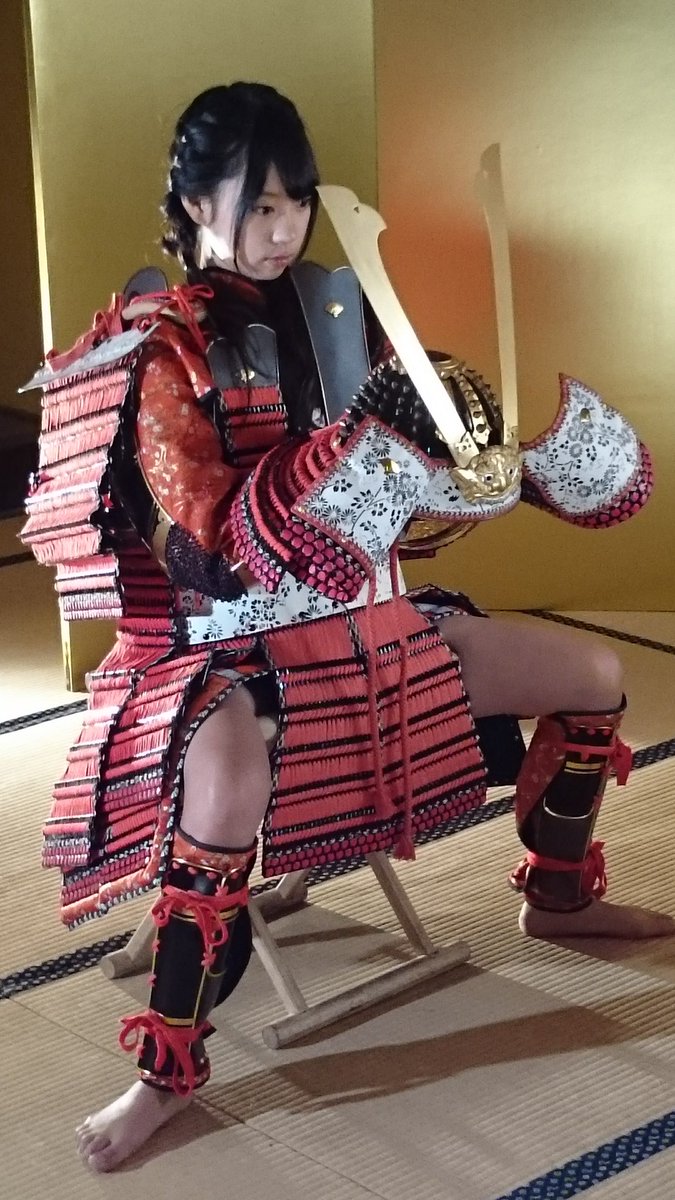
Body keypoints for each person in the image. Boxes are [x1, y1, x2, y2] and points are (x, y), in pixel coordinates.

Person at [21, 81, 670, 1174]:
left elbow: (398, 514)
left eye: (297, 202)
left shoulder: (342, 313)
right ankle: (163, 1074)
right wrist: (366, 447)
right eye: (258, 204)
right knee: (227, 791)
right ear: (193, 204)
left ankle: (558, 897)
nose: (282, 229)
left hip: (371, 616)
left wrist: (485, 463)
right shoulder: (155, 352)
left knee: (594, 672)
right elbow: (208, 541)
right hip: (221, 643)